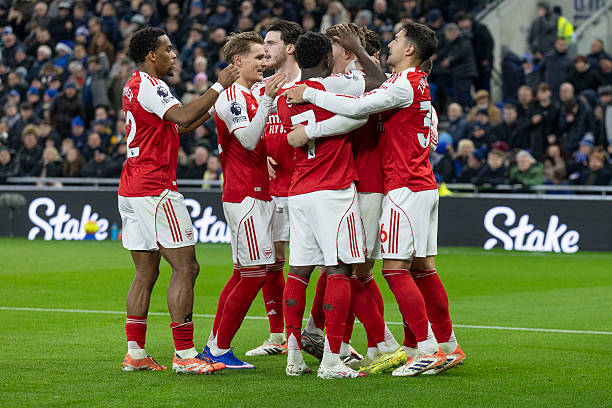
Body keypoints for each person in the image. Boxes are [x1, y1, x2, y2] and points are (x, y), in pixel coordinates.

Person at [287, 21, 465, 376]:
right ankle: (437, 343)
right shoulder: (413, 85)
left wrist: (309, 101)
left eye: (397, 40)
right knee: (419, 269)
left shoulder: (389, 83)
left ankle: (414, 347)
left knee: (379, 269)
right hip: (417, 184)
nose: (391, 44)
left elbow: (356, 110)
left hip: (392, 186)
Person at [118, 27, 239, 375]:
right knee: (187, 267)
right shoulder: (151, 85)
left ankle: (136, 354)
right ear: (151, 55)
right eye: (168, 49)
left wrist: (213, 107)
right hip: (155, 189)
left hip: (132, 187)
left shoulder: (135, 85)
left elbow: (176, 127)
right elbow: (183, 117)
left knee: (146, 270)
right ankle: (185, 355)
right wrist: (217, 85)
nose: (174, 55)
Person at [278, 29, 390, 379]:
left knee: (298, 272)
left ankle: (293, 356)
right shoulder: (334, 86)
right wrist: (356, 48)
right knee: (340, 270)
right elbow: (377, 83)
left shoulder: (284, 97)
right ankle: (331, 360)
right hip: (333, 190)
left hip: (299, 190)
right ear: (327, 59)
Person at [203, 31, 286, 370]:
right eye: (258, 57)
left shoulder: (249, 95)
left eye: (266, 57)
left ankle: (214, 344)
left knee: (242, 273)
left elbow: (253, 145)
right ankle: (219, 349)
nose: (264, 63)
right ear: (238, 62)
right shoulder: (234, 97)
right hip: (244, 196)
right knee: (253, 274)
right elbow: (249, 140)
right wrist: (267, 100)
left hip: (260, 193)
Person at [244, 19, 303, 358]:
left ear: (290, 47)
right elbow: (253, 132)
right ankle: (278, 334)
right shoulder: (261, 89)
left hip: (309, 188)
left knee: (322, 265)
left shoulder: (309, 85)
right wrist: (260, 155)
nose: (264, 49)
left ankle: (318, 333)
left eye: (271, 42)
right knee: (273, 263)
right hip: (274, 187)